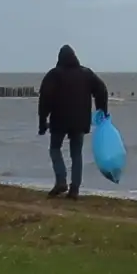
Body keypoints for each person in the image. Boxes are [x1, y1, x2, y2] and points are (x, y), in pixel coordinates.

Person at [37, 45, 106, 200]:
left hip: (59, 120)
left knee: (55, 148)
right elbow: (102, 90)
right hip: (80, 121)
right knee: (76, 154)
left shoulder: (54, 75)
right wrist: (102, 110)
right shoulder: (86, 74)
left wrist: (42, 121)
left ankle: (61, 181)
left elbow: (45, 99)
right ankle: (74, 189)